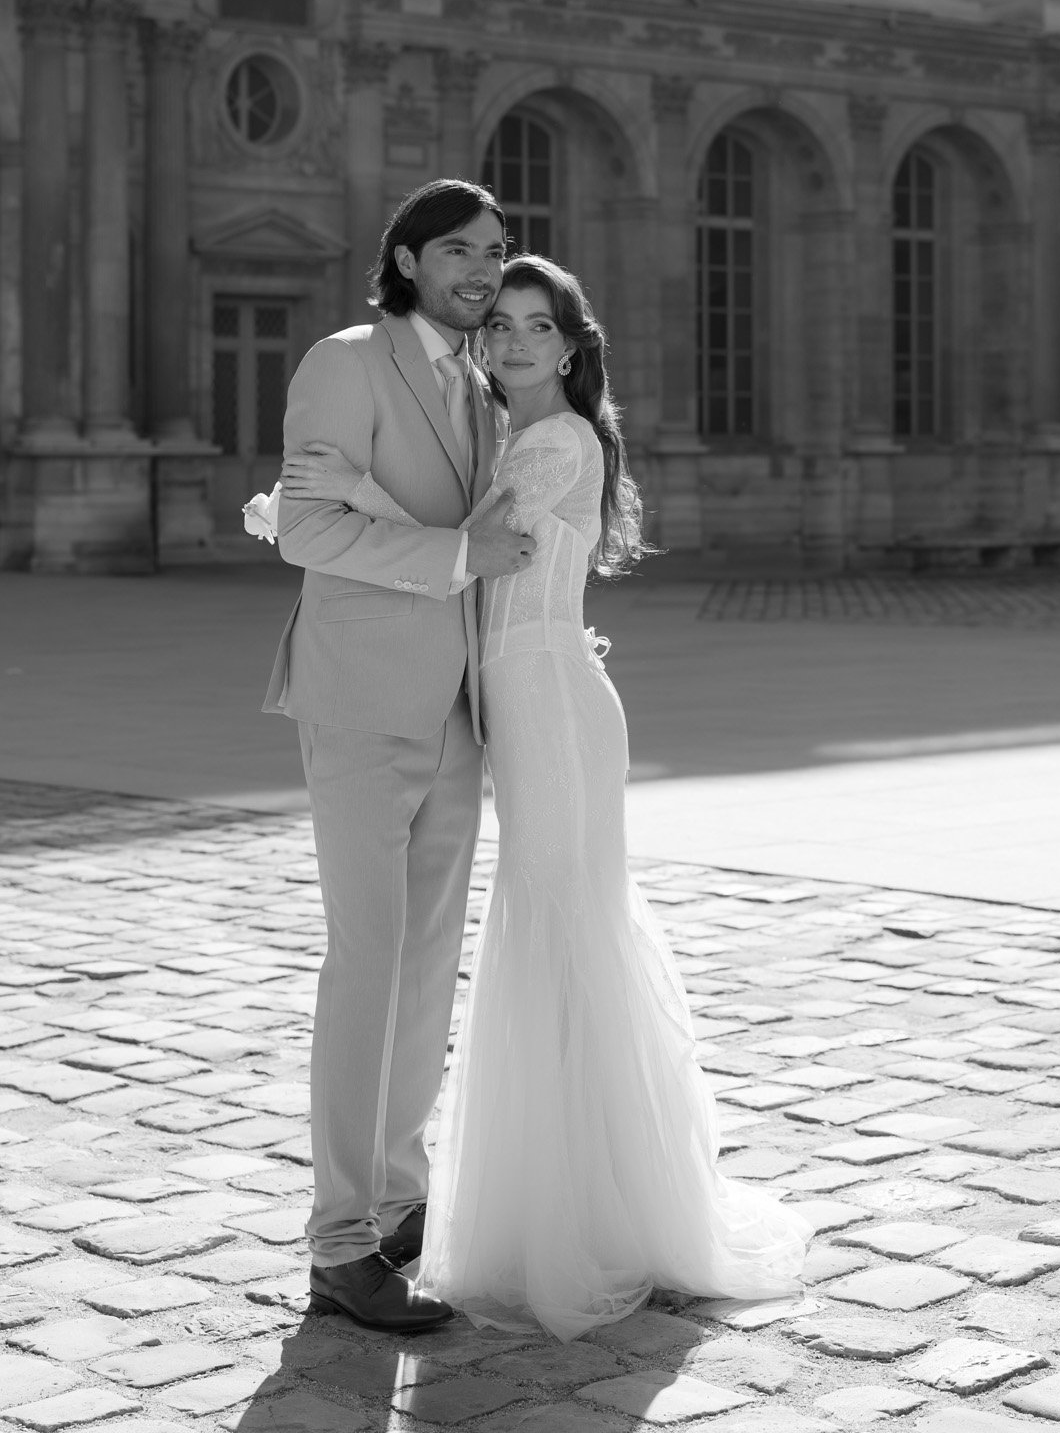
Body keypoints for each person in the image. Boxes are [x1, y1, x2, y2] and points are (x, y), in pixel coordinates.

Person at [281, 255, 809, 1341]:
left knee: (563, 934)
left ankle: (598, 1216)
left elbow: (471, 551)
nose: (516, 340)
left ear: (570, 347)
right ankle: (571, 1195)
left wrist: (321, 509)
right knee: (545, 933)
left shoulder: (554, 439)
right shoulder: (507, 434)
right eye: (503, 323)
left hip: (547, 708)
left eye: (538, 326)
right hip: (519, 698)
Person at [262, 179, 537, 1333]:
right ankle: (337, 1242)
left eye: (499, 251)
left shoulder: (483, 380)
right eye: (463, 251)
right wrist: (457, 552)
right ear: (410, 257)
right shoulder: (343, 360)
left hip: (459, 710)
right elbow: (303, 524)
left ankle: (395, 1195)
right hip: (365, 701)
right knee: (367, 963)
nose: (484, 268)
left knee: (427, 968)